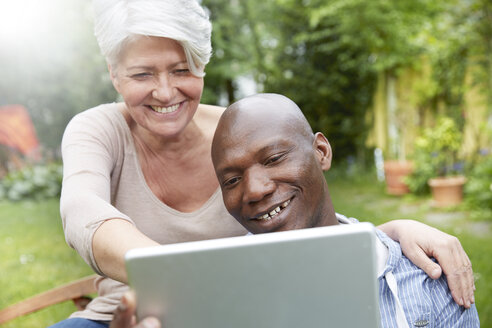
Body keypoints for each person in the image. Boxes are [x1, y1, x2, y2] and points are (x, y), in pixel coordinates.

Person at [56, 0, 474, 327]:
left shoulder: (238, 134)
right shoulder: (99, 129)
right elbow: (82, 212)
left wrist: (394, 232)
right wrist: (177, 279)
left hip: (245, 306)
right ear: (114, 74)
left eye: (181, 69)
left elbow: (305, 215)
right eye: (142, 75)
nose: (164, 92)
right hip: (127, 312)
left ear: (201, 65)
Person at [210, 93, 480, 328]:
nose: (255, 190)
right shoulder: (220, 301)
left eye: (274, 159)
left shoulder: (427, 279)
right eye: (232, 180)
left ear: (321, 152)